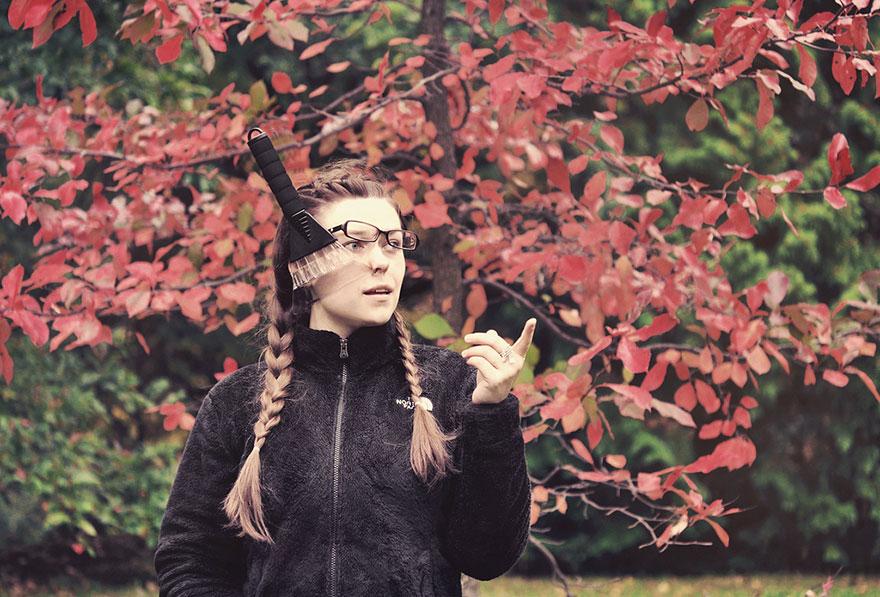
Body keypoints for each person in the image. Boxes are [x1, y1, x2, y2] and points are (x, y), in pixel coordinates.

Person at [154, 157, 534, 596]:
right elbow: (189, 561)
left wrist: (492, 414)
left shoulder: (450, 384)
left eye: (393, 244)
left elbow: (488, 556)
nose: (381, 262)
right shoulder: (237, 401)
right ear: (305, 265)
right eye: (355, 243)